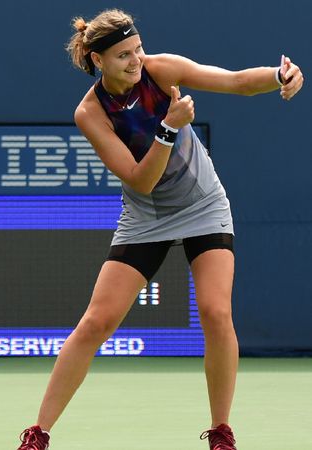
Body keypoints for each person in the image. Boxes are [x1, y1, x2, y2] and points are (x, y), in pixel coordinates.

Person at [16, 9, 303, 450]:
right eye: (123, 56)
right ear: (97, 60)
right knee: (96, 323)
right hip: (146, 215)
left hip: (204, 205)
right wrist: (168, 128)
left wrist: (279, 76)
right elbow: (141, 180)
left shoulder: (159, 71)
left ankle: (221, 432)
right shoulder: (90, 113)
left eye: (138, 49)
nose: (136, 61)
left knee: (216, 312)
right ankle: (39, 433)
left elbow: (235, 82)